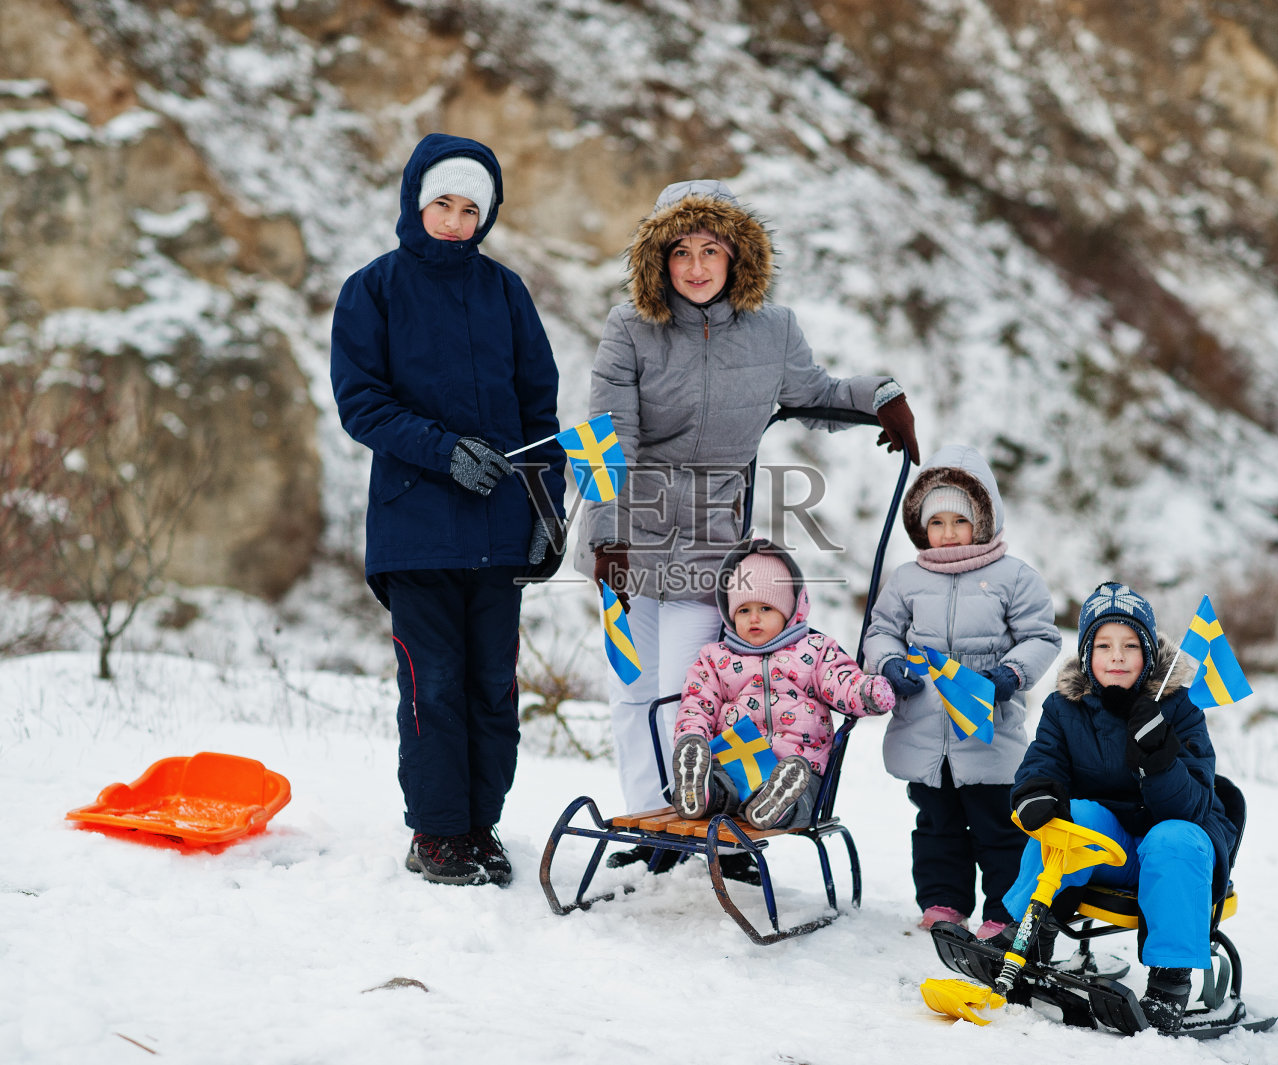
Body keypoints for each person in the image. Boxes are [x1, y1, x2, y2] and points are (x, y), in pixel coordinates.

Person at [579, 179, 921, 868]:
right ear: (659, 260)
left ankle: (705, 815)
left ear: (738, 256)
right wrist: (607, 539)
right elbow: (608, 438)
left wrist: (879, 397)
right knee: (633, 694)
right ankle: (653, 829)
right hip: (631, 536)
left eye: (712, 249)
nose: (697, 266)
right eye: (681, 251)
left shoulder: (774, 328)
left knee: (691, 693)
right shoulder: (631, 328)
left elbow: (813, 394)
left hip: (710, 548)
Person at [330, 133, 566, 888]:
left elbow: (540, 412)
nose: (457, 222)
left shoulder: (506, 293)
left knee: (492, 685)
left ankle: (480, 827)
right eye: (444, 205)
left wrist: (546, 512)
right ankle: (436, 833)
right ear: (415, 202)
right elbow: (362, 403)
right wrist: (441, 449)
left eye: (472, 209)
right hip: (415, 529)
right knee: (434, 685)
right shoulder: (373, 290)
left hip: (499, 531)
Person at [1001, 581, 1240, 1034]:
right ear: (1087, 654)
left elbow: (1193, 805)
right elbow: (1042, 762)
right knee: (1076, 815)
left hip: (1170, 848)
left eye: (1130, 645)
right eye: (1104, 645)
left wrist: (1159, 758)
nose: (1116, 657)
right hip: (1107, 852)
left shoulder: (1180, 708)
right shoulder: (1064, 708)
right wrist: (1036, 793)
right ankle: (1027, 936)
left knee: (1175, 838)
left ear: (1148, 655)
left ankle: (1169, 983)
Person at [862, 443, 1061, 938]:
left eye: (959, 521)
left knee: (999, 828)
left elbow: (1041, 636)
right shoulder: (908, 578)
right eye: (937, 523)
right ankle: (944, 905)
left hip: (987, 724)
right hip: (926, 726)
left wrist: (1010, 675)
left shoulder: (1013, 577)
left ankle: (1002, 912)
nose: (948, 534)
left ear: (984, 520)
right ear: (921, 528)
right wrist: (888, 663)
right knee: (936, 825)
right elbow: (880, 629)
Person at [672, 540, 895, 848]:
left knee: (801, 798)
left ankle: (778, 803)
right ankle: (701, 791)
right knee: (725, 784)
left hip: (800, 768)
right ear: (729, 613)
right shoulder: (716, 658)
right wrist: (691, 737)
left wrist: (867, 691)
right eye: (744, 609)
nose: (754, 618)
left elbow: (842, 682)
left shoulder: (815, 652)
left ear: (790, 609)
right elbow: (697, 704)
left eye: (766, 608)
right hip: (740, 763)